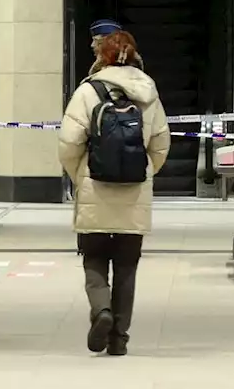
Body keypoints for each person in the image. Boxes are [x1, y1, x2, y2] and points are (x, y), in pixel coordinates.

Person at [59, 31, 171, 357]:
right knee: (126, 267)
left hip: (94, 186)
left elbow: (68, 143)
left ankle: (101, 310)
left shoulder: (87, 91)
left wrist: (80, 175)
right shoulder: (148, 92)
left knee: (93, 259)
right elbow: (161, 144)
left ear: (101, 56)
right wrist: (144, 169)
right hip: (134, 192)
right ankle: (119, 339)